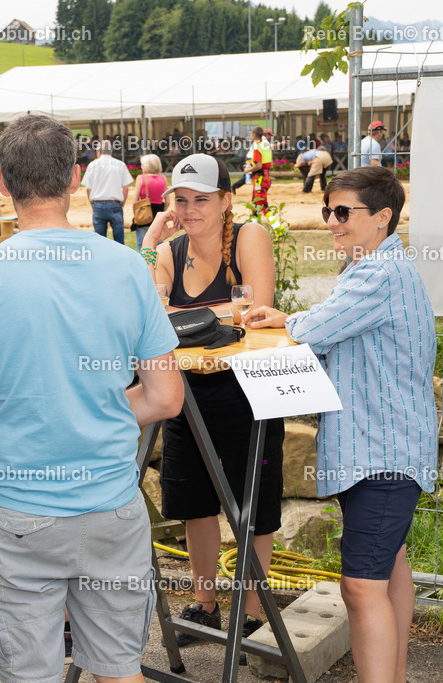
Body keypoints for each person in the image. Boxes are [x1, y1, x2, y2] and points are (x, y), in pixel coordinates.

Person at [0, 114, 183, 683]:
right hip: (112, 508)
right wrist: (91, 412)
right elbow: (166, 397)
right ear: (76, 179)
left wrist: (22, 418)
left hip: (19, 513)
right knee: (120, 671)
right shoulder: (127, 265)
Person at [246, 166, 436, 683]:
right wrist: (292, 318)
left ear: (383, 217)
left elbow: (317, 326)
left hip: (382, 453)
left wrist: (286, 318)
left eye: (343, 212)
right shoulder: (376, 267)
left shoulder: (378, 273)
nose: (331, 221)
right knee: (389, 569)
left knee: (360, 587)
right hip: (387, 448)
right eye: (328, 210)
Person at [140, 152, 283, 652]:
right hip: (184, 391)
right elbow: (146, 312)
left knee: (252, 501)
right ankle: (205, 602)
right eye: (181, 199)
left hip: (246, 389)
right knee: (193, 502)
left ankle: (250, 610)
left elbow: (255, 309)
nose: (191, 209)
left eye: (202, 199)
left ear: (226, 200)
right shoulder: (169, 252)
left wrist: (181, 312)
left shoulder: (249, 237)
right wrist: (150, 244)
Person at [82, 140, 132, 245]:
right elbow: (126, 188)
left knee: (100, 242)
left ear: (99, 151)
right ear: (111, 151)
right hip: (115, 204)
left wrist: (93, 204)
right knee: (119, 241)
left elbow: (88, 189)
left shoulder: (92, 165)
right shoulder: (120, 164)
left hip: (98, 204)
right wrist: (122, 203)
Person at [130, 153, 167, 250]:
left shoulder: (141, 178)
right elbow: (167, 201)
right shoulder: (163, 178)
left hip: (144, 215)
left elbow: (135, 201)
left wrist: (136, 214)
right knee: (158, 246)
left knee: (142, 247)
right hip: (158, 215)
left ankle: (144, 265)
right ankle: (159, 265)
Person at [244, 126, 272, 213]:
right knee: (255, 203)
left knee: (261, 204)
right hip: (266, 176)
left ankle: (277, 226)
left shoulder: (257, 147)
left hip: (259, 178)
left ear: (253, 134)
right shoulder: (265, 145)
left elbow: (258, 166)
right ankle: (253, 224)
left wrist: (247, 170)